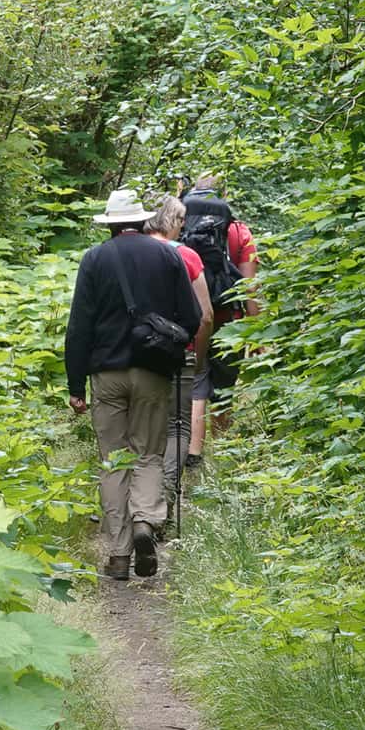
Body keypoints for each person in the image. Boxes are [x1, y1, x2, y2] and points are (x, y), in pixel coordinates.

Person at [64, 188, 205, 580]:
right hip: (153, 372)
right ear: (143, 220)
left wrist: (76, 385)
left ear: (109, 225)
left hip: (105, 374)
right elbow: (192, 316)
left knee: (113, 459)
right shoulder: (167, 255)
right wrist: (168, 342)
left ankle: (120, 555)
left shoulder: (94, 259)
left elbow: (79, 327)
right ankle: (146, 521)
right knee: (148, 453)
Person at [179, 174, 258, 475]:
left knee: (195, 383)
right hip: (229, 322)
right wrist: (257, 331)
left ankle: (190, 454)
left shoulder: (181, 226)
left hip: (190, 320)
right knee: (223, 389)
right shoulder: (238, 231)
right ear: (223, 196)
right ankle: (222, 456)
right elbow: (249, 287)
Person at [145, 195, 213, 503]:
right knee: (177, 427)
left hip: (137, 351)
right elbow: (205, 314)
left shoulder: (128, 252)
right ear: (172, 220)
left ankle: (139, 499)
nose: (184, 226)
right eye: (181, 220)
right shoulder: (187, 256)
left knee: (143, 427)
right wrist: (198, 357)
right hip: (178, 350)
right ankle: (167, 493)